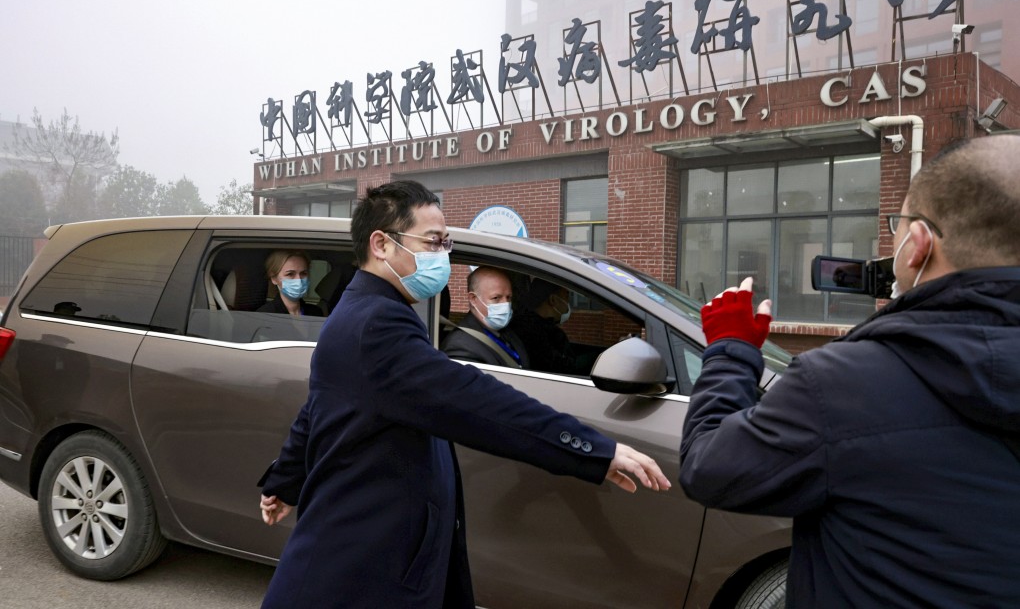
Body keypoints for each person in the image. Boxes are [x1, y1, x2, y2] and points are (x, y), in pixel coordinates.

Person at [258, 180, 670, 609]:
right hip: (365, 558)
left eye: (445, 242)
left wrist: (285, 481)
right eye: (433, 242)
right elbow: (474, 399)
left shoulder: (366, 309)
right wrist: (595, 450)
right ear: (381, 244)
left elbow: (318, 405)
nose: (443, 255)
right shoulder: (377, 324)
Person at [678, 135, 1020, 607]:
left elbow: (708, 468)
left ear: (918, 243)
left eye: (896, 226)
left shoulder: (844, 385)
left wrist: (729, 351)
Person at [440, 266, 530, 368]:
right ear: (473, 299)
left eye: (508, 297)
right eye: (496, 298)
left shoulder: (506, 331)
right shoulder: (460, 347)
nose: (506, 304)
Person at [507, 278, 578, 374]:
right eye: (566, 297)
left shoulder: (522, 323)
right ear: (553, 300)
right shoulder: (544, 334)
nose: (568, 304)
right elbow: (564, 369)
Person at [256, 249, 323, 317]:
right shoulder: (265, 314)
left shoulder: (316, 312)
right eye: (290, 274)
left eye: (303, 273)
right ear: (274, 278)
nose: (298, 280)